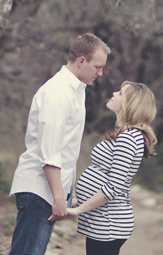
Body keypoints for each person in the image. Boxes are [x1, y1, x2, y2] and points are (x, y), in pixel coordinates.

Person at [8, 33, 110, 255]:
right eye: (97, 66)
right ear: (81, 61)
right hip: (39, 190)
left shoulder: (75, 91)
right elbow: (50, 152)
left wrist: (66, 194)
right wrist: (58, 197)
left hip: (46, 191)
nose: (100, 73)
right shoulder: (58, 93)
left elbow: (66, 150)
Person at [66, 81, 157, 255]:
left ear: (132, 104)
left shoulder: (128, 138)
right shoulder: (127, 135)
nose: (114, 93)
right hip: (102, 221)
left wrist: (77, 210)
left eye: (121, 93)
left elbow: (114, 187)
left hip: (108, 223)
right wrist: (77, 201)